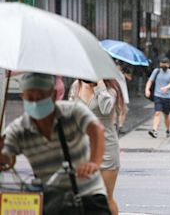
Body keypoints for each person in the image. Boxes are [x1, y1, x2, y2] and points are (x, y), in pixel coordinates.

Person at [0, 73, 111, 215]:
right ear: (23, 98)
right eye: (30, 98)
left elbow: (97, 129)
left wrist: (94, 162)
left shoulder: (73, 111)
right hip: (52, 198)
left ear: (52, 95)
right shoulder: (19, 128)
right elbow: (7, 159)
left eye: (40, 97)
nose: (35, 103)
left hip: (88, 195)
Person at [69, 78, 124, 215]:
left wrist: (100, 85)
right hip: (81, 148)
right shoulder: (77, 85)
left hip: (106, 146)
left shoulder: (110, 88)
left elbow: (106, 109)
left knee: (105, 198)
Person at [145, 57, 170, 138]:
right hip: (158, 95)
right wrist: (147, 89)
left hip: (168, 97)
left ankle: (168, 129)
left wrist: (166, 87)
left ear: (168, 65)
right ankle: (154, 130)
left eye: (165, 63)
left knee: (166, 115)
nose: (163, 65)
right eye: (162, 63)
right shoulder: (157, 71)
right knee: (157, 112)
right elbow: (150, 80)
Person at [114, 59, 132, 133]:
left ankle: (120, 126)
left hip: (123, 92)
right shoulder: (112, 72)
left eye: (119, 65)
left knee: (123, 110)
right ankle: (115, 125)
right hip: (115, 92)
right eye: (116, 65)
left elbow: (130, 78)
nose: (118, 66)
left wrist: (123, 73)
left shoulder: (124, 71)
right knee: (115, 110)